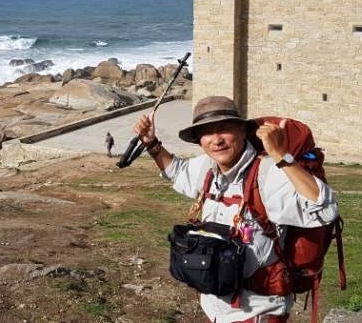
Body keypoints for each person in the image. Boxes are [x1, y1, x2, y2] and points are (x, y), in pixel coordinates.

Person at [133, 96, 338, 323]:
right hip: (215, 307)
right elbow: (178, 171)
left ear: (242, 131)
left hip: (256, 311)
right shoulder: (207, 168)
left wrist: (281, 156)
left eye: (224, 129)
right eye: (207, 132)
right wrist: (152, 144)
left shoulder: (268, 173)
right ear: (199, 140)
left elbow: (325, 209)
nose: (216, 140)